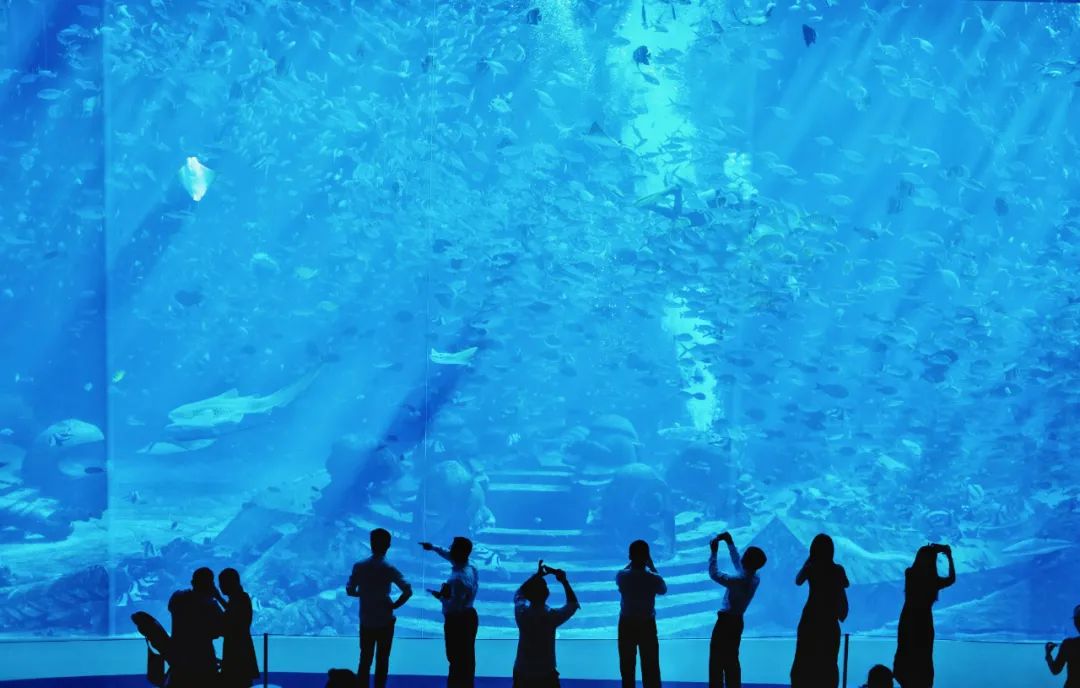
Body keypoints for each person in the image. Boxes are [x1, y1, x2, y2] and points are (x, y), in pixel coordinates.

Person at [347, 528, 414, 688]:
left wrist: (364, 593)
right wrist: (395, 605)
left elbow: (350, 590)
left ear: (371, 544)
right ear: (388, 545)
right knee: (383, 659)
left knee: (365, 659)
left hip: (366, 619)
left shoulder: (359, 566)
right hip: (385, 620)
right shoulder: (389, 568)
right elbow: (408, 590)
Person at [707, 532, 767, 688]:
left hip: (725, 623)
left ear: (748, 560)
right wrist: (730, 543)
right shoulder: (755, 578)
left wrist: (714, 552)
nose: (743, 556)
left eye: (745, 554)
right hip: (737, 622)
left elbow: (714, 574)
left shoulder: (739, 581)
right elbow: (740, 565)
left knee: (716, 661)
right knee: (732, 660)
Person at [790, 534, 849, 688]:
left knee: (804, 658)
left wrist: (810, 560)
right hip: (829, 620)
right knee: (829, 661)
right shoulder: (837, 569)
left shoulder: (811, 568)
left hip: (810, 618)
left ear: (813, 550)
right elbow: (846, 584)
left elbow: (798, 580)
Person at [892, 544, 956, 688]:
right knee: (923, 655)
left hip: (908, 618)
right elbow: (951, 579)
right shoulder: (933, 581)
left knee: (906, 651)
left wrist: (935, 550)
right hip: (923, 621)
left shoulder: (910, 574)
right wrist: (948, 555)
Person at [421, 537, 479, 688]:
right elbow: (449, 555)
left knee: (455, 658)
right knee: (467, 658)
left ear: (458, 552)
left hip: (457, 620)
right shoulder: (471, 565)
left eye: (452, 547)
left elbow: (454, 606)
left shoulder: (457, 579)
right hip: (470, 615)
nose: (449, 548)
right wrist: (433, 547)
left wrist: (440, 596)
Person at [513, 560, 581, 688]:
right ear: (547, 593)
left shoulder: (521, 612)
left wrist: (537, 576)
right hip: (545, 672)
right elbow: (572, 605)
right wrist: (564, 581)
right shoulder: (551, 617)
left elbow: (519, 594)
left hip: (522, 669)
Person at [616, 539, 668, 688]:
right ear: (647, 556)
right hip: (647, 625)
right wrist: (651, 565)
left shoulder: (622, 576)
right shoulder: (653, 578)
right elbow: (663, 589)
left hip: (626, 624)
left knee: (627, 666)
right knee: (651, 666)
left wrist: (634, 561)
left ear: (629, 556)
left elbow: (620, 577)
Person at [168, 567, 225, 688]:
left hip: (179, 662)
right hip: (204, 663)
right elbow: (224, 628)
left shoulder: (177, 597)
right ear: (211, 585)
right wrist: (218, 598)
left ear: (192, 582)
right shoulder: (210, 606)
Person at [217, 568, 260, 688]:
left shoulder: (241, 599)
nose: (220, 586)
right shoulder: (239, 599)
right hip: (240, 651)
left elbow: (230, 620)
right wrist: (218, 598)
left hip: (239, 654)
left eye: (222, 583)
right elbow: (231, 612)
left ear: (231, 583)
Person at [1045, 604, 1080, 688]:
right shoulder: (1068, 644)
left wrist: (1048, 654)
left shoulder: (1068, 644)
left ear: (1075, 622)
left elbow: (1055, 670)